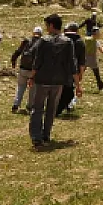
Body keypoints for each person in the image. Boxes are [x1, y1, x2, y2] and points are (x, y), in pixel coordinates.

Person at [29, 14, 81, 148]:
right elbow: (72, 65)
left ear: (51, 25)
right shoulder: (68, 42)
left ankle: (36, 136)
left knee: (37, 108)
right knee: (51, 109)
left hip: (42, 80)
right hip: (58, 82)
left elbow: (37, 62)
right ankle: (46, 134)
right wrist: (78, 85)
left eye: (47, 26)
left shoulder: (44, 41)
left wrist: (32, 76)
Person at [10, 26, 42, 112]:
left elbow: (16, 53)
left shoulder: (26, 41)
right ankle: (30, 106)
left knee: (20, 87)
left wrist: (13, 63)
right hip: (33, 71)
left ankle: (16, 104)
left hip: (23, 69)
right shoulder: (42, 43)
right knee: (32, 89)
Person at [59, 24, 86, 116]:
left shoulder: (61, 39)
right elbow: (82, 61)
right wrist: (81, 73)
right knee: (70, 89)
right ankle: (66, 106)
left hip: (60, 69)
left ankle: (56, 106)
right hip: (74, 70)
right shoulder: (80, 42)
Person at [83, 26, 103, 92]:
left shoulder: (86, 39)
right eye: (98, 33)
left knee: (80, 72)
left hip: (85, 58)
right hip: (92, 59)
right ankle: (100, 85)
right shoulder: (96, 42)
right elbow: (102, 51)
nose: (99, 34)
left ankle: (74, 84)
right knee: (96, 74)